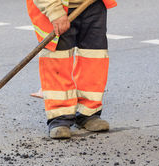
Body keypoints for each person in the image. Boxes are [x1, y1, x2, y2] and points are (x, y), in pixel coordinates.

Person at [27, 0, 117, 139]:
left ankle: (88, 113)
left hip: (92, 5)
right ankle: (59, 118)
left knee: (93, 56)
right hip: (57, 9)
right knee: (58, 61)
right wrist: (55, 12)